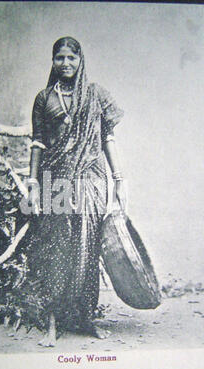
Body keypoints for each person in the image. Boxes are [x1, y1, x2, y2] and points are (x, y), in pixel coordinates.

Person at [21, 37, 126, 347]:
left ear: (81, 61)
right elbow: (38, 142)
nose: (65, 63)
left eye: (71, 58)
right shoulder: (44, 98)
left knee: (87, 248)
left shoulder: (96, 95)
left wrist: (119, 178)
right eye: (59, 57)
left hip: (92, 178)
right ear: (52, 61)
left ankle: (85, 317)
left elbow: (107, 138)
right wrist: (32, 182)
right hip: (55, 178)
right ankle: (52, 322)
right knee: (56, 248)